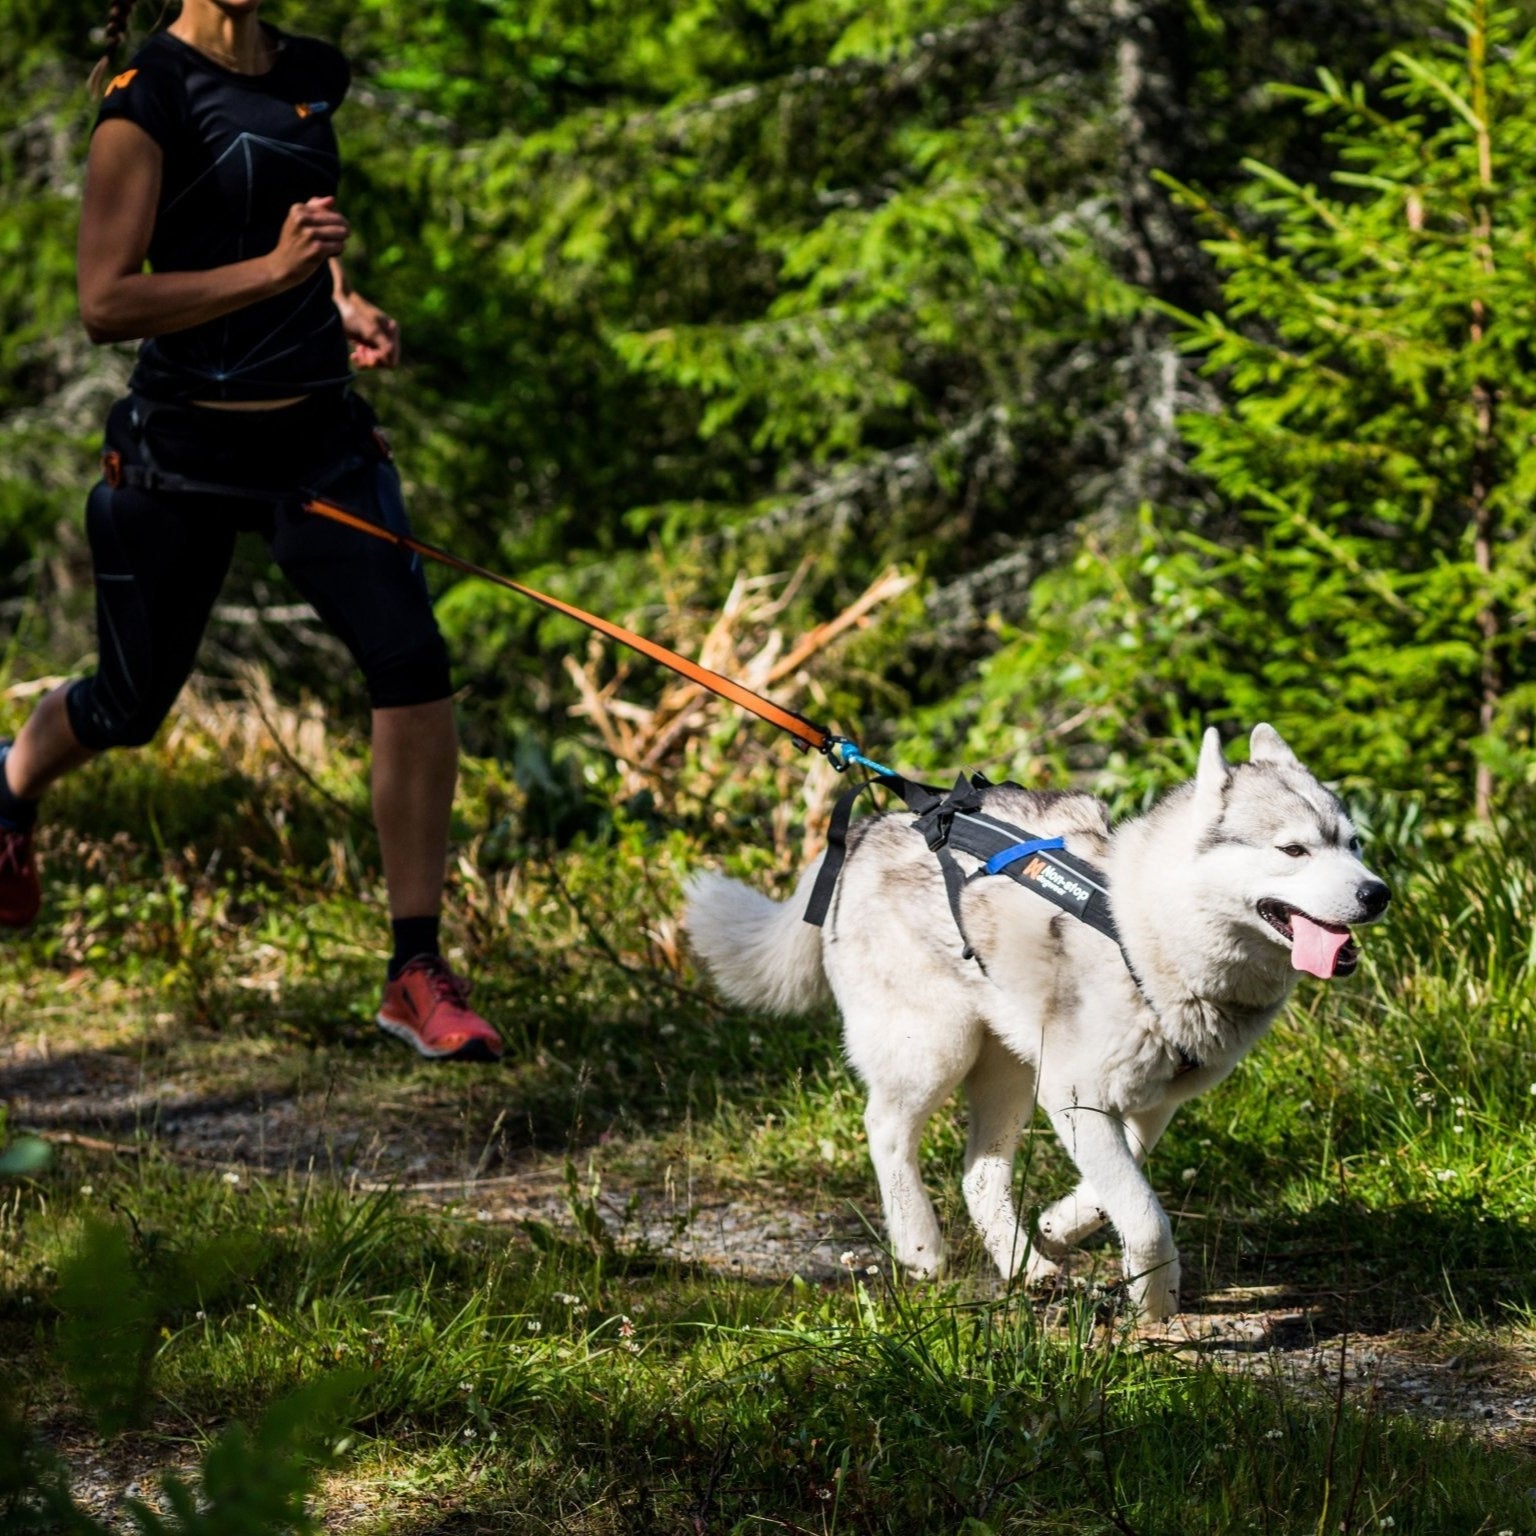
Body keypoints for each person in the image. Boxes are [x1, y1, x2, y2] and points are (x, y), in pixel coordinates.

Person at [0, 0, 503, 1063]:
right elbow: (106, 300)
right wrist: (274, 276)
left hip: (316, 447)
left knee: (413, 667)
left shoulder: (309, 74)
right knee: (128, 705)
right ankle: (7, 786)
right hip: (176, 460)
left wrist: (337, 298)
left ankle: (414, 966)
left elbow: (291, 223)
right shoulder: (149, 99)